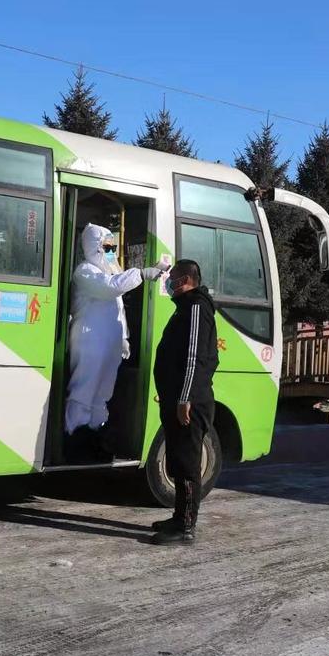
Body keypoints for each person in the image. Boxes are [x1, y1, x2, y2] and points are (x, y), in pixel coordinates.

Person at [65, 224, 169, 460]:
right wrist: (141, 274)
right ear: (95, 247)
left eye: (114, 247)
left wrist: (123, 338)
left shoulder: (109, 274)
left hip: (108, 343)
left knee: (102, 394)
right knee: (84, 391)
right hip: (90, 340)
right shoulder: (85, 271)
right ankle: (73, 439)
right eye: (108, 247)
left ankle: (94, 441)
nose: (112, 252)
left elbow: (118, 310)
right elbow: (109, 288)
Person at [150, 259, 218, 546]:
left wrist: (184, 397)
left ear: (187, 280)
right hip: (178, 398)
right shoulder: (186, 308)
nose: (169, 282)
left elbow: (194, 357)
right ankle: (179, 517)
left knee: (188, 464)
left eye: (174, 277)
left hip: (190, 401)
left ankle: (185, 527)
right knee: (178, 460)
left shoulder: (196, 308)